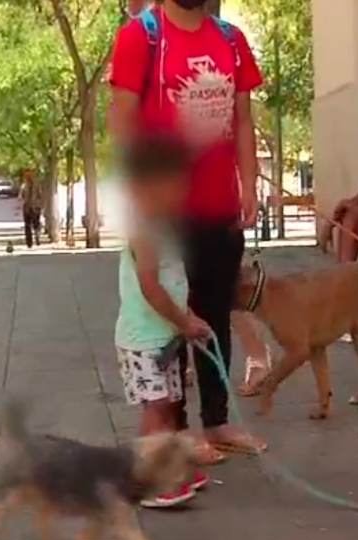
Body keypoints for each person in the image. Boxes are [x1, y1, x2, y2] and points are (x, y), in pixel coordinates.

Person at [109, 0, 267, 463]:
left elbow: (242, 120)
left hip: (220, 206)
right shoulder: (142, 35)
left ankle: (216, 421)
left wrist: (250, 183)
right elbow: (121, 120)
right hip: (167, 211)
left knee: (215, 315)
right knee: (170, 320)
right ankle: (175, 429)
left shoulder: (231, 40)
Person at [115, 132, 209, 508]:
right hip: (142, 339)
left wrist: (189, 316)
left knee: (168, 404)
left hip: (165, 336)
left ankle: (170, 469)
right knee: (154, 411)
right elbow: (152, 288)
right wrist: (184, 323)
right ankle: (142, 480)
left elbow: (174, 284)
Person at [17, 169, 46, 252]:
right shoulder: (24, 186)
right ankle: (29, 242)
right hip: (27, 208)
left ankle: (37, 236)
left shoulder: (37, 186)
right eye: (27, 176)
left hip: (35, 208)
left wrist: (40, 205)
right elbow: (20, 197)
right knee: (27, 225)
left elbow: (41, 196)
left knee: (36, 223)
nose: (28, 177)